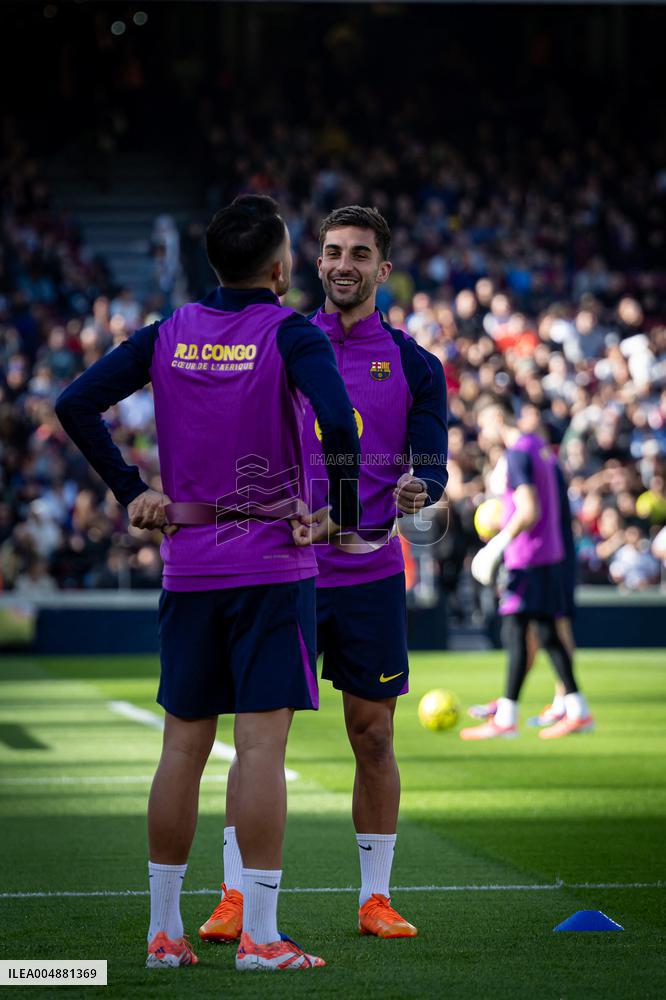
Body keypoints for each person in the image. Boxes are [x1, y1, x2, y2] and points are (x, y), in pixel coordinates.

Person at [55, 195, 362, 972]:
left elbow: (75, 402)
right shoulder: (291, 331)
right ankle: (260, 937)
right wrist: (338, 514)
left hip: (190, 565)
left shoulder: (169, 334)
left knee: (181, 749)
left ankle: (165, 935)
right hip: (268, 566)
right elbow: (338, 420)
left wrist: (131, 492)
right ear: (282, 266)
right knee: (258, 749)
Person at [200, 206, 448, 943]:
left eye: (360, 254)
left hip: (370, 571)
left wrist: (420, 487)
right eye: (333, 251)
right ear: (315, 262)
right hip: (284, 569)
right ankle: (235, 897)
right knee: (257, 739)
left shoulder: (414, 363)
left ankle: (375, 900)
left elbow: (430, 453)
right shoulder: (282, 341)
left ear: (383, 269)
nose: (344, 265)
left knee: (373, 737)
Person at [460, 398, 593, 741]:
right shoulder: (539, 448)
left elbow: (528, 509)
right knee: (540, 633)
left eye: (484, 424)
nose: (482, 432)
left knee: (523, 633)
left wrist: (495, 547)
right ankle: (566, 710)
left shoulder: (517, 453)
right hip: (546, 554)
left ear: (496, 418)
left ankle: (512, 718)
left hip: (527, 557)